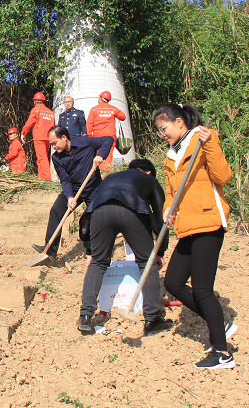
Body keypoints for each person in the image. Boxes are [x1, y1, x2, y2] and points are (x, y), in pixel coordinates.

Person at [155, 103, 237, 369]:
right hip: (188, 226)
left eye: (163, 128)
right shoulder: (171, 155)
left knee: (202, 289)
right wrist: (168, 208)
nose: (162, 134)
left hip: (208, 221)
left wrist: (211, 144)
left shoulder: (203, 141)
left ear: (180, 122)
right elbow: (171, 190)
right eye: (159, 131)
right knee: (174, 282)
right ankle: (219, 323)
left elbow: (223, 176)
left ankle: (223, 353)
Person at [76, 159, 171, 334]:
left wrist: (90, 249)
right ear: (149, 172)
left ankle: (86, 316)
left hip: (99, 213)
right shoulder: (150, 180)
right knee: (147, 263)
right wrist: (159, 251)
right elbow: (160, 216)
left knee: (98, 262)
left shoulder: (111, 178)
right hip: (131, 211)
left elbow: (90, 206)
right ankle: (152, 318)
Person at [31, 126, 113, 262]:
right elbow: (65, 179)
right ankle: (50, 250)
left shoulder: (85, 142)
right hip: (74, 189)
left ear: (64, 137)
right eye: (51, 144)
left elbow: (108, 140)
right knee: (57, 210)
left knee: (91, 217)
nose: (53, 147)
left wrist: (100, 155)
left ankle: (93, 251)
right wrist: (69, 197)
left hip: (93, 188)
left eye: (54, 143)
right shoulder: (56, 158)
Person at [87, 91, 127, 172]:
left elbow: (89, 124)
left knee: (97, 156)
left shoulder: (94, 109)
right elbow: (123, 117)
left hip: (97, 138)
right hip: (110, 137)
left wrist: (89, 137)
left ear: (101, 98)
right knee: (108, 156)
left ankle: (98, 173)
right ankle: (105, 174)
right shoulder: (113, 109)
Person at [21, 92, 55, 180]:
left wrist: (23, 133)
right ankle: (41, 176)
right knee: (43, 157)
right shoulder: (51, 112)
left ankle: (46, 178)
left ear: (35, 102)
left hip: (39, 137)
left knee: (42, 157)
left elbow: (29, 122)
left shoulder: (36, 110)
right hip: (49, 138)